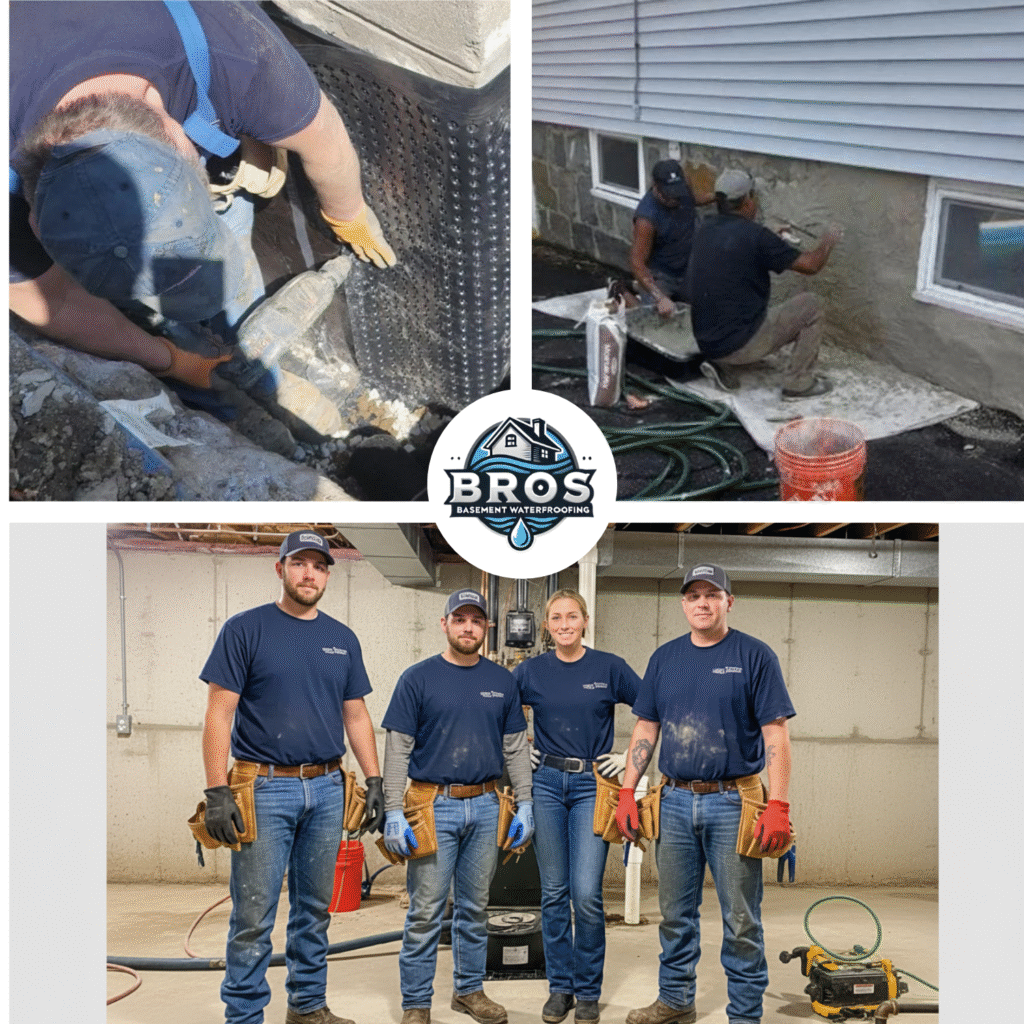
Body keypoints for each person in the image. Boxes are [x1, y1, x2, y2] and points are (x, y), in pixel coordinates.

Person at [9, 1, 395, 396]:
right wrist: (171, 360)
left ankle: (242, 346)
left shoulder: (231, 51)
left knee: (228, 252)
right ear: (35, 226)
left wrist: (347, 212)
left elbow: (325, 136)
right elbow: (51, 302)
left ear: (180, 138)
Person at [199, 529, 386, 1024]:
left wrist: (376, 781)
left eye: (319, 566)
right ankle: (244, 1016)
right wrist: (218, 789)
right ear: (279, 569)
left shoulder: (341, 639)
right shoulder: (246, 630)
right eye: (300, 564)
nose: (310, 574)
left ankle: (307, 1006)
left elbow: (356, 715)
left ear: (327, 574)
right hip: (264, 787)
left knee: (315, 910)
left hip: (327, 788)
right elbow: (219, 713)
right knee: (253, 916)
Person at [615, 564, 795, 1024]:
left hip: (734, 802)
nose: (702, 602)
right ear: (683, 604)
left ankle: (745, 1014)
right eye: (693, 595)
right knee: (675, 915)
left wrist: (778, 803)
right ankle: (675, 1001)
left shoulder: (754, 656)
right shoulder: (665, 658)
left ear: (728, 602)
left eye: (712, 594)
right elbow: (647, 724)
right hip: (673, 801)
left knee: (740, 919)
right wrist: (627, 791)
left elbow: (775, 733)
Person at [381, 588, 535, 1024]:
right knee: (426, 910)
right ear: (445, 624)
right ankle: (416, 1003)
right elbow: (398, 749)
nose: (469, 627)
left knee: (474, 907)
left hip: (487, 805)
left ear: (486, 628)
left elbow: (516, 748)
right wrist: (394, 809)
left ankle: (469, 991)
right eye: (460, 619)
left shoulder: (502, 681)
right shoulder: (417, 678)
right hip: (433, 806)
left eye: (477, 621)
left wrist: (525, 803)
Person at [513, 590, 642, 1024]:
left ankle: (587, 991)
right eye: (556, 617)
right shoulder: (530, 671)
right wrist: (513, 750)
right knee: (553, 894)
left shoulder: (609, 667)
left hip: (593, 785)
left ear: (585, 621)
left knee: (586, 894)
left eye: (572, 616)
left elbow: (652, 711)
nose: (564, 623)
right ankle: (560, 988)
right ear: (546, 625)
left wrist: (630, 757)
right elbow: (497, 714)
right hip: (545, 784)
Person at [686, 169, 841, 398]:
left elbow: (738, 245)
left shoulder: (705, 227)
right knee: (812, 306)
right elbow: (811, 266)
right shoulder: (757, 237)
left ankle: (722, 362)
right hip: (740, 346)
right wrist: (827, 241)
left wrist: (768, 237)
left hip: (707, 343)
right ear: (748, 201)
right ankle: (798, 383)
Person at [630, 159, 714, 315]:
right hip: (660, 276)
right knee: (656, 320)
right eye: (669, 196)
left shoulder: (683, 189)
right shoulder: (647, 219)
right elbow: (637, 262)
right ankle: (624, 292)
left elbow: (693, 200)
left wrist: (717, 196)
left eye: (678, 195)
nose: (675, 200)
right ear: (656, 187)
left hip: (687, 267)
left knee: (700, 313)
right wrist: (659, 297)